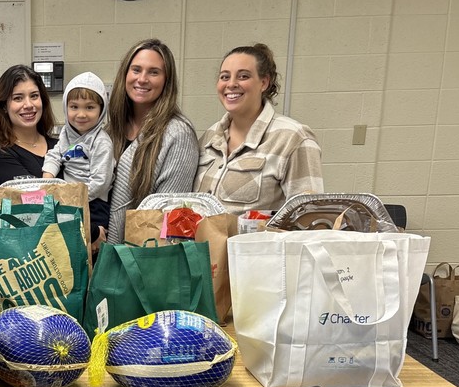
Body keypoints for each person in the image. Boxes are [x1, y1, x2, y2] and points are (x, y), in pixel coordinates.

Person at [194, 43, 323, 214]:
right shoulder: (210, 137)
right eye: (225, 77)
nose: (231, 84)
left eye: (243, 76)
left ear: (264, 83)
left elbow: (308, 216)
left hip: (254, 241)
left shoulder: (293, 138)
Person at [105, 38, 199, 244]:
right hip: (100, 255)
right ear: (125, 75)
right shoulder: (111, 131)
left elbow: (168, 214)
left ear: (167, 80)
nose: (142, 79)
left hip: (144, 257)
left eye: (154, 72)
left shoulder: (177, 134)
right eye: (136, 70)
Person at [41, 71, 114, 243]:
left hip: (93, 203)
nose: (81, 114)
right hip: (70, 197)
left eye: (89, 107)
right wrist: (48, 177)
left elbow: (100, 182)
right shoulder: (67, 132)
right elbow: (55, 154)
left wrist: (72, 197)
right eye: (74, 107)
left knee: (89, 250)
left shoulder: (101, 141)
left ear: (101, 110)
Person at [0, 64, 56, 184]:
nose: (28, 105)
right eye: (18, 98)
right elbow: (32, 198)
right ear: (4, 106)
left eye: (34, 96)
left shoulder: (59, 146)